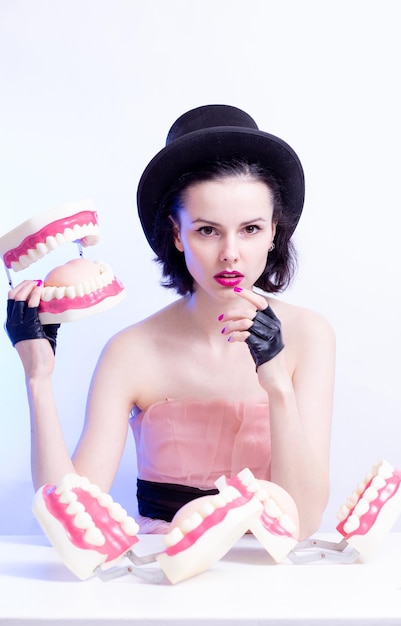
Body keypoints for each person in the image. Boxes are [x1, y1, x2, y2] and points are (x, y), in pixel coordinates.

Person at [5, 105, 335, 540]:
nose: (231, 253)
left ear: (275, 230)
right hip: (161, 583)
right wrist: (38, 378)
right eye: (207, 230)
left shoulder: (310, 336)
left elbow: (305, 522)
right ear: (177, 234)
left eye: (251, 229)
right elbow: (71, 520)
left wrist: (275, 381)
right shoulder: (130, 351)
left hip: (270, 584)